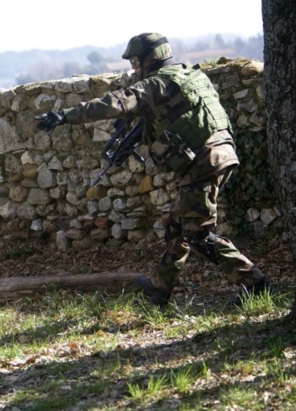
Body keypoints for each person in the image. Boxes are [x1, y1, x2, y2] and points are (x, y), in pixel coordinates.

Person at [35, 33, 274, 307]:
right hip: (219, 155)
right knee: (176, 228)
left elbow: (118, 102)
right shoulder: (190, 76)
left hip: (203, 163)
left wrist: (64, 116)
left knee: (198, 235)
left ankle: (257, 284)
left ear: (152, 58)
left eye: (136, 61)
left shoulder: (157, 84)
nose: (134, 69)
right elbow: (179, 114)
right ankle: (158, 292)